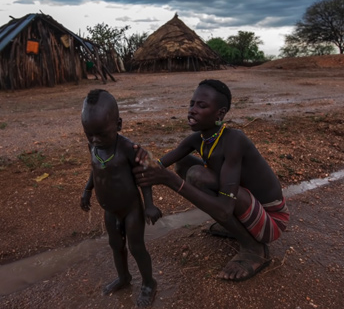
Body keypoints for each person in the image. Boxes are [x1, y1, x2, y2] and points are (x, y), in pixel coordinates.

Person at [133, 79, 289, 281]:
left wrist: (171, 180)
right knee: (184, 165)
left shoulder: (234, 140)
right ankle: (238, 228)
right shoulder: (197, 139)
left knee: (197, 175)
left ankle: (253, 248)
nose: (192, 110)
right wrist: (138, 160)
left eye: (202, 105)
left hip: (271, 221)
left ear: (220, 114)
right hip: (248, 207)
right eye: (191, 104)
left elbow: (224, 208)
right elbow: (160, 165)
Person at [80, 89, 162, 307]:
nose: (95, 139)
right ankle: (124, 278)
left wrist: (150, 205)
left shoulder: (127, 148)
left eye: (101, 134)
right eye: (90, 134)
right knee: (115, 244)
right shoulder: (95, 146)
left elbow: (144, 175)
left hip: (131, 209)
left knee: (136, 247)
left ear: (118, 125)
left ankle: (148, 283)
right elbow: (95, 169)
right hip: (110, 210)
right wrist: (87, 190)